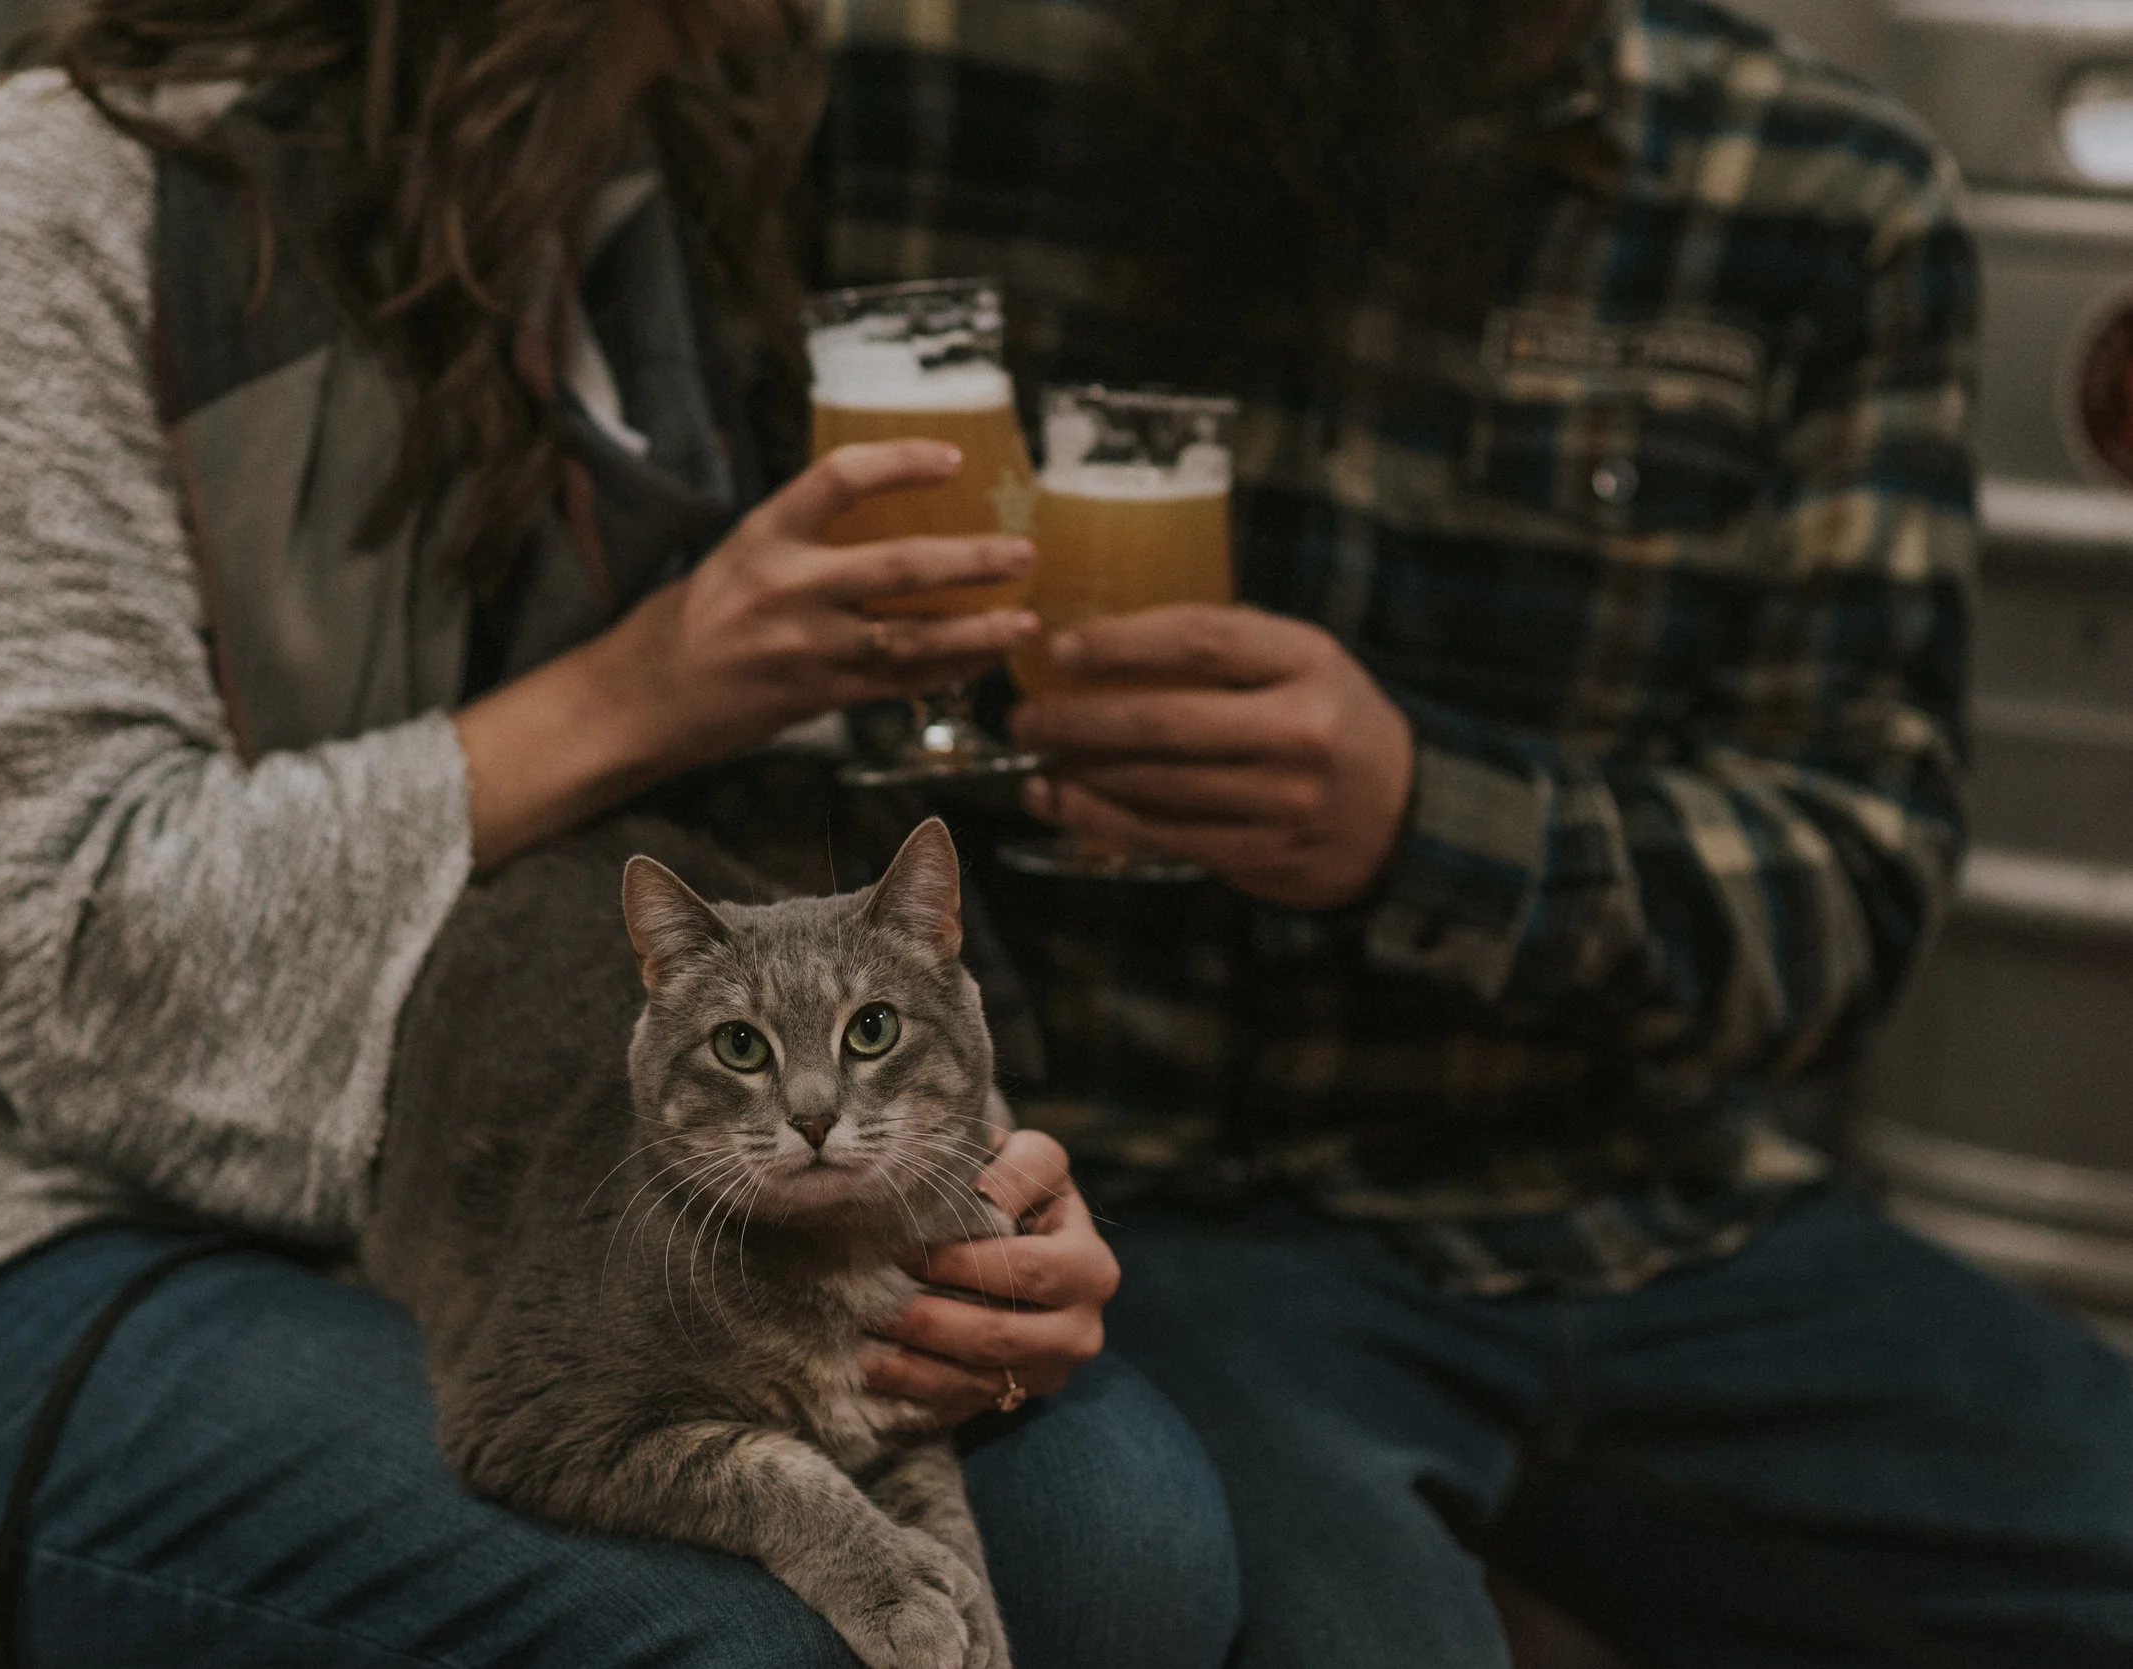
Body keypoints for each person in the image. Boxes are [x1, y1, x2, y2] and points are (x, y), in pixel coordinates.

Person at [0, 2, 1243, 1665]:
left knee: (1127, 1549)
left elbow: (776, 926)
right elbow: (78, 952)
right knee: (764, 1639)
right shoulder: (55, 204)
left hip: (465, 1196)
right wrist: (654, 685)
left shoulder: (648, 178)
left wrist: (963, 1187)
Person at [819, 0, 2133, 1664]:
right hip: (1150, 1218)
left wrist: (1423, 827)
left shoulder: (1823, 192)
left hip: (1639, 1216)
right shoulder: (922, 71)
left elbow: (1850, 891)